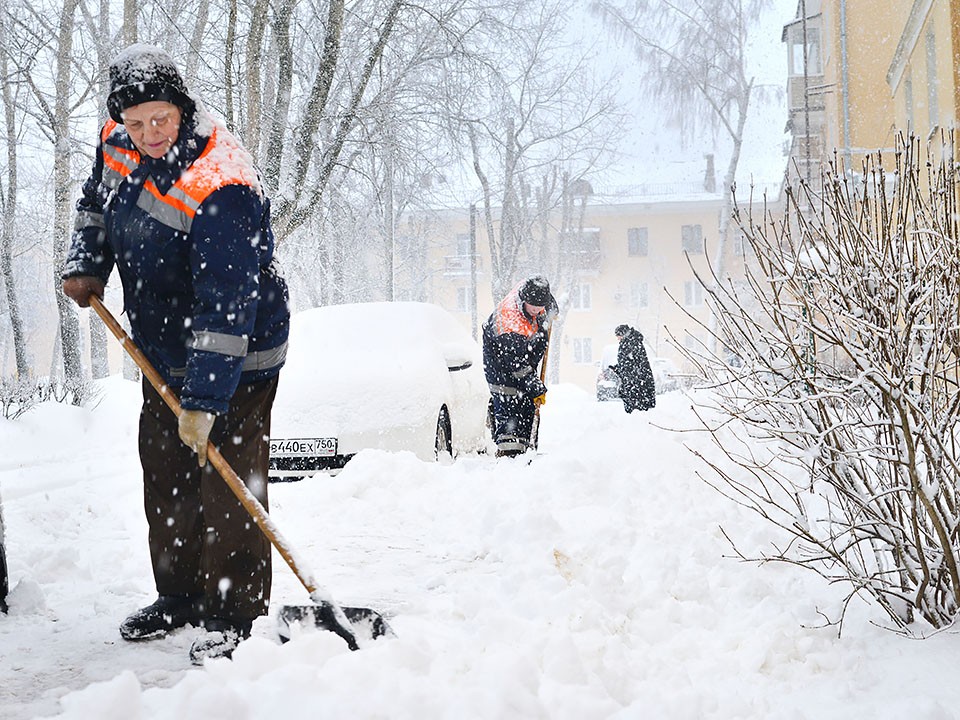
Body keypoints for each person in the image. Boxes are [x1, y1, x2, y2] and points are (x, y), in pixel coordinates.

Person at [61, 44, 290, 664]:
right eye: (136, 123)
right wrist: (87, 264)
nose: (148, 134)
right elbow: (95, 206)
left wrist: (206, 400)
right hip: (161, 347)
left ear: (182, 109)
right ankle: (181, 597)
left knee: (227, 482)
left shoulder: (223, 184)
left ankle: (234, 611)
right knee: (165, 475)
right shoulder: (118, 140)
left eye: (160, 119)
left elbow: (226, 303)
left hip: (237, 356)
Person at [482, 275, 557, 457]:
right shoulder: (510, 324)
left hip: (522, 362)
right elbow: (517, 366)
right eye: (534, 308)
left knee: (527, 407)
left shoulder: (530, 291)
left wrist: (551, 310)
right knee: (510, 417)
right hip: (501, 368)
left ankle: (526, 452)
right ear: (524, 300)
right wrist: (536, 386)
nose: (538, 311)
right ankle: (509, 457)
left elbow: (546, 301)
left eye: (541, 307)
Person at [611, 324, 656, 413]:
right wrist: (619, 369)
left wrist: (626, 373)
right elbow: (628, 363)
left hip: (637, 383)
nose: (618, 339)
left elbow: (635, 363)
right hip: (635, 382)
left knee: (637, 410)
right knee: (635, 408)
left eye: (618, 336)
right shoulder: (631, 342)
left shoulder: (631, 343)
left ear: (623, 334)